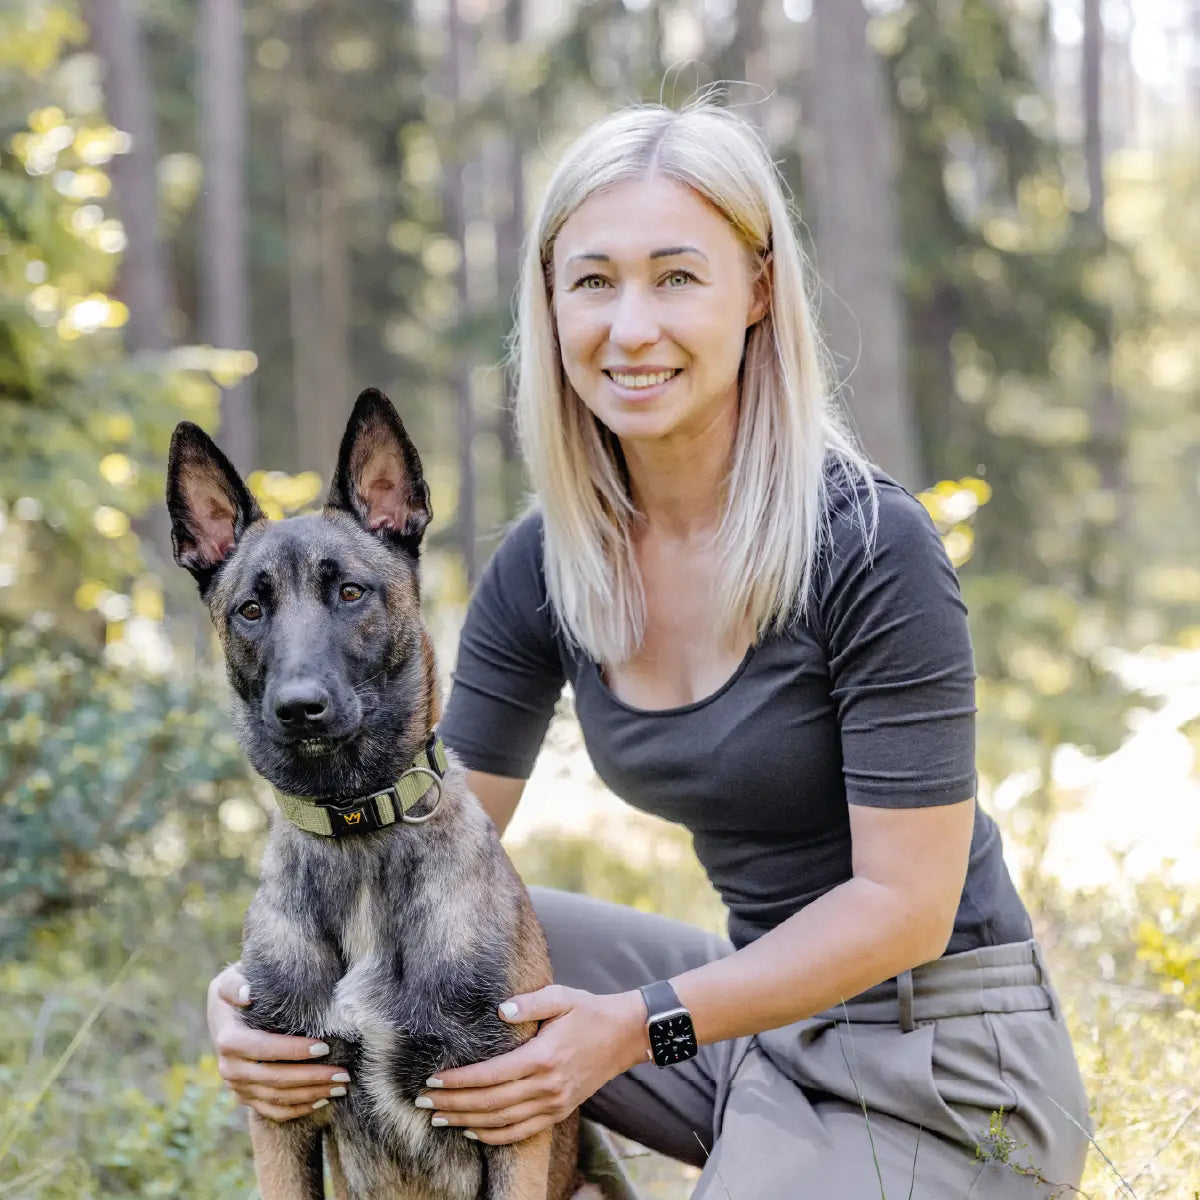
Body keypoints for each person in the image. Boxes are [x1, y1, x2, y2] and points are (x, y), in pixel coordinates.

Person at [207, 101, 1092, 1197]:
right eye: (593, 281)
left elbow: (904, 911)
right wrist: (253, 1000)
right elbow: (429, 825)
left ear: (758, 292)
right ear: (550, 303)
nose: (631, 327)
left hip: (939, 1046)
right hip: (750, 1014)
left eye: (677, 277)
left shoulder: (870, 543)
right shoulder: (552, 562)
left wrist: (634, 1031)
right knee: (463, 943)